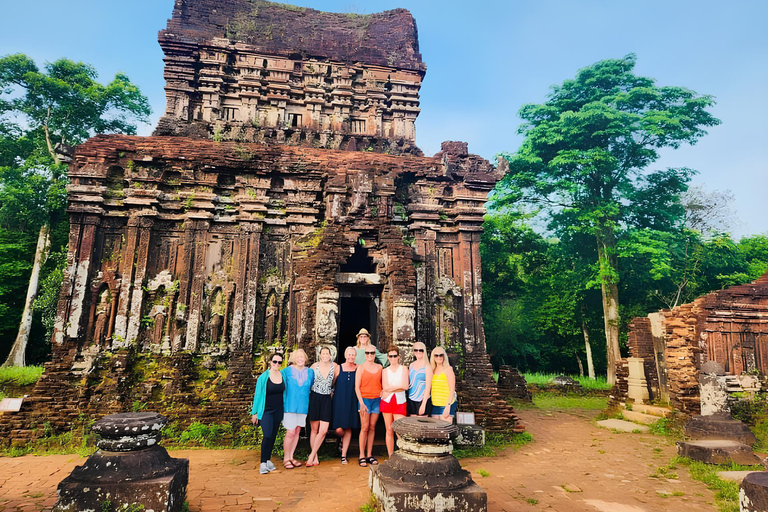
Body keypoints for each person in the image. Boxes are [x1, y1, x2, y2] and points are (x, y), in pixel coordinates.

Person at [250, 353, 285, 474]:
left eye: (279, 362)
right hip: (266, 410)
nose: (277, 364)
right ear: (270, 362)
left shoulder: (283, 375)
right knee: (268, 434)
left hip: (278, 410)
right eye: (275, 361)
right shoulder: (263, 377)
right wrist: (254, 413)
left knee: (273, 435)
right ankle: (263, 463)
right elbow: (258, 395)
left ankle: (268, 460)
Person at [306, 346, 339, 467]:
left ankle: (311, 454)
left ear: (331, 355)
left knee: (323, 430)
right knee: (314, 430)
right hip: (315, 397)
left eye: (327, 353)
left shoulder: (335, 367)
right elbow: (309, 382)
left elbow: (334, 381)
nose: (325, 355)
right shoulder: (314, 367)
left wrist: (331, 391)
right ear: (320, 355)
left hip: (326, 398)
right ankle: (315, 457)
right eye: (323, 353)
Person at [281, 348, 314, 469]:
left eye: (302, 357)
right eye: (298, 357)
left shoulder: (310, 372)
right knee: (290, 432)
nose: (300, 359)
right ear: (293, 359)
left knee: (297, 431)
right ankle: (286, 458)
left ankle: (291, 457)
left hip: (303, 406)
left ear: (305, 359)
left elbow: (310, 386)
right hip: (289, 405)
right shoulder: (286, 372)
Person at [332, 346, 360, 464]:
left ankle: (344, 454)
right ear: (345, 355)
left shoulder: (358, 368)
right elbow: (332, 383)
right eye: (349, 354)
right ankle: (341, 439)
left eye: (353, 355)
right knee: (338, 429)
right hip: (339, 400)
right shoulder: (339, 368)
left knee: (349, 427)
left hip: (352, 400)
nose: (351, 357)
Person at [355, 345, 382, 467]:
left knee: (372, 427)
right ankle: (361, 454)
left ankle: (369, 454)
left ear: (375, 354)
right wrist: (361, 402)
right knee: (364, 427)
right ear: (364, 354)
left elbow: (383, 382)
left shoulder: (380, 367)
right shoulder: (360, 368)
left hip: (376, 399)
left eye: (372, 353)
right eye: (367, 353)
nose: (370, 355)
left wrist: (383, 391)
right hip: (364, 400)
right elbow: (357, 387)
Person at [380, 346, 408, 456]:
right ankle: (391, 455)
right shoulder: (385, 371)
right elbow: (385, 387)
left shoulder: (404, 369)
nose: (393, 358)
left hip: (400, 401)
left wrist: (390, 388)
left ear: (398, 357)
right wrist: (397, 387)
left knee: (399, 430)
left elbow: (405, 386)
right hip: (387, 401)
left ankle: (404, 454)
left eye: (394, 356)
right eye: (390, 356)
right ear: (388, 357)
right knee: (389, 429)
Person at [430, 346, 457, 423]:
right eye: (436, 355)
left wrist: (448, 406)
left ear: (444, 356)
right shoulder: (432, 370)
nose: (439, 357)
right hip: (435, 404)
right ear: (433, 357)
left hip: (446, 404)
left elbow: (452, 389)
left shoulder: (448, 369)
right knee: (435, 431)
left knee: (445, 431)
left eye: (441, 355)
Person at [407, 341, 432, 417]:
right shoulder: (411, 365)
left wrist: (423, 404)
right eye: (416, 350)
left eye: (421, 350)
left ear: (424, 351)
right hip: (411, 398)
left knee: (422, 426)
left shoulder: (427, 366)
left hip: (422, 399)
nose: (418, 352)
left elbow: (428, 387)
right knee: (413, 426)